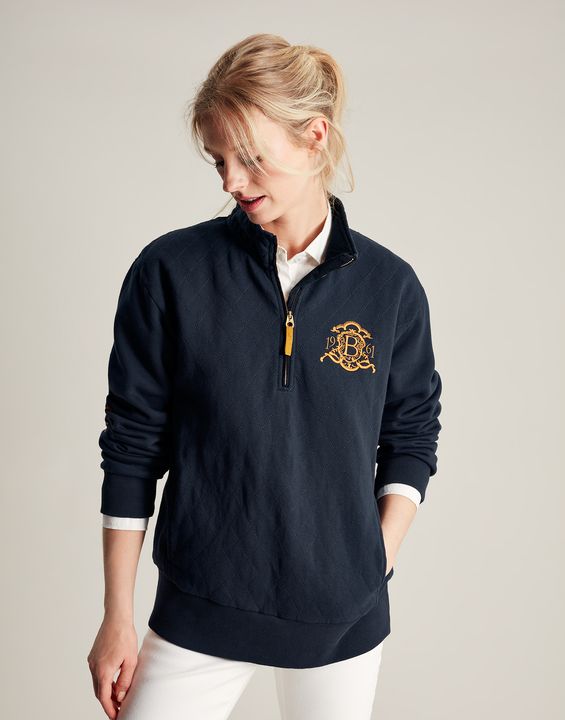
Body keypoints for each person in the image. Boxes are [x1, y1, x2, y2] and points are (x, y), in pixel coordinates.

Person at [87, 33, 442, 720]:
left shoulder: (390, 288)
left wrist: (374, 559)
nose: (231, 181)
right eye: (218, 159)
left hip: (342, 621)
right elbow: (131, 444)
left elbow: (412, 432)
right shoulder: (170, 272)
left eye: (250, 158)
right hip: (199, 607)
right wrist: (117, 615)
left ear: (315, 137)